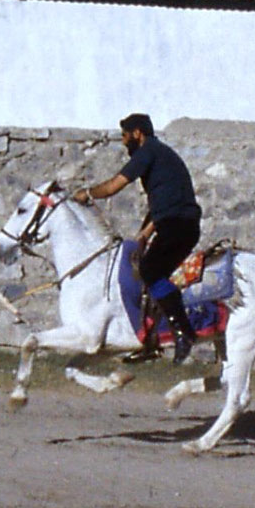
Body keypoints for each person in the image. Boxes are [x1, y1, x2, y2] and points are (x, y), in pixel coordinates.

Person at [74, 113, 202, 362]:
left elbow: (113, 186)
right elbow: (164, 202)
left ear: (137, 133)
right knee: (144, 271)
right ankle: (151, 340)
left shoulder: (148, 151)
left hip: (178, 225)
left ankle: (183, 332)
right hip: (175, 223)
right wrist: (144, 234)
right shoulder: (160, 154)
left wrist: (87, 193)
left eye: (124, 135)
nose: (123, 142)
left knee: (150, 270)